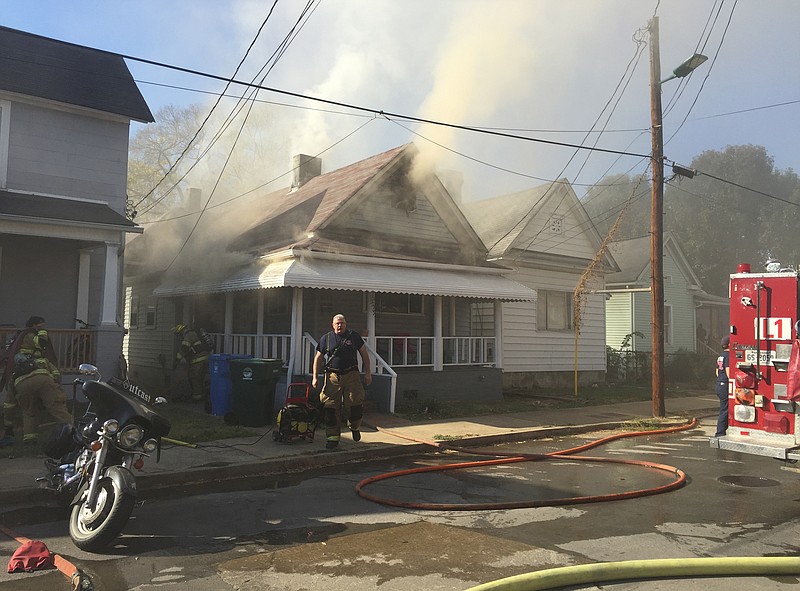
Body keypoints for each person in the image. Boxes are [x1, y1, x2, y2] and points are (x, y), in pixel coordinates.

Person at [312, 314, 372, 450]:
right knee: (331, 408)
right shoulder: (326, 339)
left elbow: (364, 354)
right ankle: (332, 439)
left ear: (346, 324)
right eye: (337, 323)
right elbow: (318, 358)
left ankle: (355, 428)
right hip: (333, 377)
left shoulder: (354, 336)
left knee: (354, 405)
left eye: (342, 323)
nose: (340, 325)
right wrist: (315, 377)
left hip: (352, 375)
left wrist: (368, 373)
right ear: (332, 325)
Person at [13, 317, 71, 444]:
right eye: (41, 325)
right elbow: (43, 344)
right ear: (34, 325)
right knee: (57, 407)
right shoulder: (39, 350)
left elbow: (11, 393)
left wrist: (7, 422)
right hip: (44, 380)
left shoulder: (18, 355)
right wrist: (58, 388)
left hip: (21, 383)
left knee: (29, 411)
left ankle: (29, 439)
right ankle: (70, 433)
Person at [174, 324, 211, 410]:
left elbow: (184, 349)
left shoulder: (188, 335)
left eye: (178, 334)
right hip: (203, 359)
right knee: (200, 378)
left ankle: (197, 398)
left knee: (195, 378)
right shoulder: (192, 334)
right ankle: (200, 395)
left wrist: (177, 359)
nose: (179, 336)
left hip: (198, 360)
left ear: (181, 331)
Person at [714, 335, 731, 438]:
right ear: (730, 344)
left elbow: (717, 371)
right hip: (725, 385)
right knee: (724, 410)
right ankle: (720, 433)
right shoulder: (729, 356)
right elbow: (728, 371)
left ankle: (723, 431)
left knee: (724, 408)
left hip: (719, 383)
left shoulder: (721, 356)